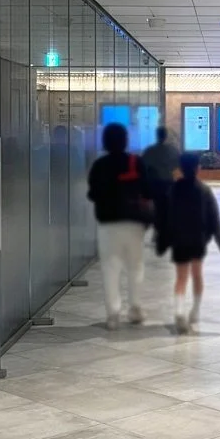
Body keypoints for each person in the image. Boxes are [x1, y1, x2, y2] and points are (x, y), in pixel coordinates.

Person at [157, 152, 220, 334]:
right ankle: (195, 311)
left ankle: (179, 310)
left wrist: (163, 240)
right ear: (198, 168)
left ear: (180, 169)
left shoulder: (173, 190)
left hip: (179, 239)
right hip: (198, 238)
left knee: (181, 277)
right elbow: (214, 219)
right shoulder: (204, 191)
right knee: (197, 274)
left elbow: (165, 217)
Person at [87, 123, 152, 330]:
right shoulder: (136, 162)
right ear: (126, 141)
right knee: (135, 267)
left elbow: (93, 194)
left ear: (104, 142)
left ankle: (113, 314)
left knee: (110, 269)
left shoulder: (100, 165)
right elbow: (147, 190)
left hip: (108, 225)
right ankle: (135, 309)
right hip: (133, 223)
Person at [141, 126, 180, 241]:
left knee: (157, 208)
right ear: (166, 136)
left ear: (156, 135)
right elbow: (176, 165)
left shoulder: (149, 151)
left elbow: (143, 166)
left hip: (154, 184)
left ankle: (158, 231)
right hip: (168, 183)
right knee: (167, 208)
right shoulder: (172, 150)